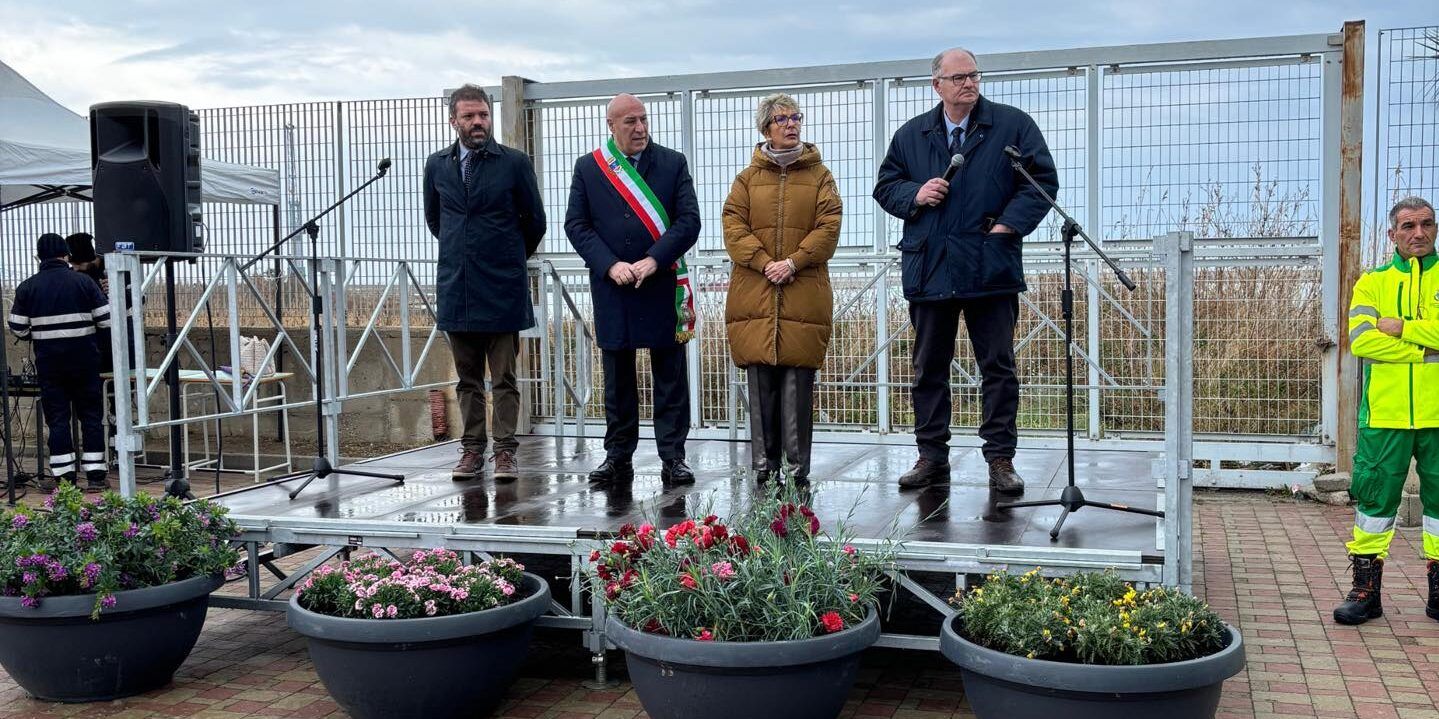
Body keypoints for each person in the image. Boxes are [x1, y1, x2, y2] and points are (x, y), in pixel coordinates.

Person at [873, 47, 1057, 493]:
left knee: (997, 366)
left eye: (973, 76)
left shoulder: (1012, 126)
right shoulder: (912, 135)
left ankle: (1000, 459)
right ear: (936, 84)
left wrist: (1007, 226)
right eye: (958, 78)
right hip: (931, 268)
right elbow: (886, 186)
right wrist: (915, 195)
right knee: (929, 368)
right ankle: (931, 458)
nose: (969, 84)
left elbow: (1041, 182)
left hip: (989, 268)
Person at [565, 93, 701, 486]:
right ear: (611, 125)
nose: (640, 128)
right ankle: (617, 457)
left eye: (643, 120)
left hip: (661, 283)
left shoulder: (672, 163)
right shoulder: (590, 169)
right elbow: (576, 225)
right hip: (615, 287)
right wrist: (610, 265)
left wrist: (654, 258)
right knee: (617, 379)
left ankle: (673, 457)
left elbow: (688, 221)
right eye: (630, 122)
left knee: (670, 379)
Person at [423, 84, 546, 482]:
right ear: (453, 120)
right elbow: (436, 221)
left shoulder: (513, 163)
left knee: (505, 377)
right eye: (469, 116)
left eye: (483, 115)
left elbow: (535, 221)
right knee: (468, 379)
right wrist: (464, 251)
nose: (478, 123)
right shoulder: (437, 165)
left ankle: (506, 452)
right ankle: (472, 451)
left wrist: (505, 255)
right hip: (457, 287)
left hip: (502, 286)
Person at [722, 93, 842, 484]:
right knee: (761, 385)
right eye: (782, 119)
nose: (792, 124)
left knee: (797, 384)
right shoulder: (746, 179)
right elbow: (733, 227)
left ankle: (797, 470)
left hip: (803, 291)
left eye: (796, 117)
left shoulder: (821, 176)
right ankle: (764, 468)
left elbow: (829, 227)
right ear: (765, 129)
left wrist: (793, 261)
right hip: (754, 295)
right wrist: (764, 262)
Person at [1333, 196, 1439, 626]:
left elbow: (1384, 338)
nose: (1419, 233)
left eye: (1427, 224)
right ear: (1392, 233)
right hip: (1384, 414)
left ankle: (1438, 593)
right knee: (1374, 502)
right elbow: (1362, 340)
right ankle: (1366, 592)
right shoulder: (1371, 283)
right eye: (1409, 225)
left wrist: (1403, 329)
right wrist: (1427, 345)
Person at [6, 233, 112, 490]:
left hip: (50, 365)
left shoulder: (28, 287)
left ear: (39, 257)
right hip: (85, 363)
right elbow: (106, 320)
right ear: (66, 255)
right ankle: (96, 476)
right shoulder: (84, 283)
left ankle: (65, 480)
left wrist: (38, 334)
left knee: (58, 419)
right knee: (91, 417)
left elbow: (17, 327)